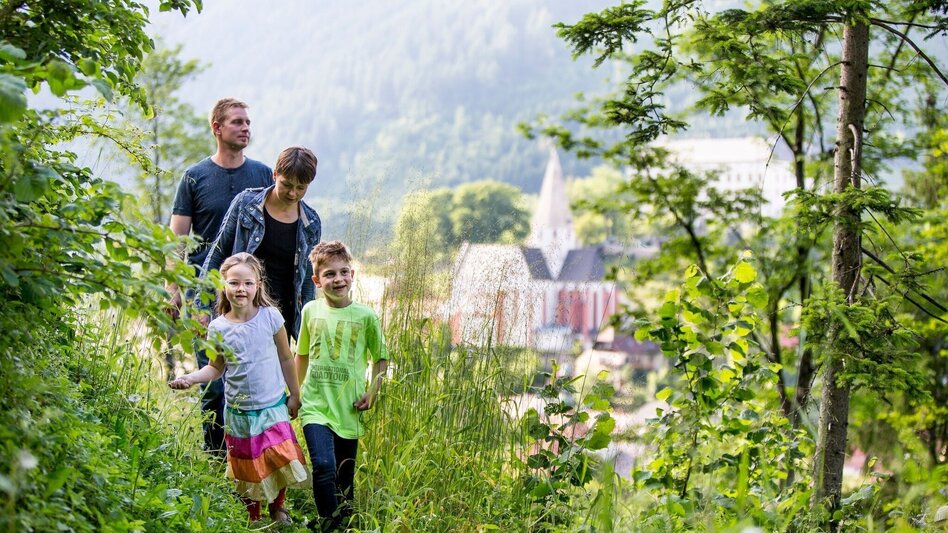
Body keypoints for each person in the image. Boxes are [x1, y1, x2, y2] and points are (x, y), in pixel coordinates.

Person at [169, 253, 309, 525]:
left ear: (258, 285)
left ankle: (277, 507)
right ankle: (252, 516)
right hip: (239, 411)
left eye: (247, 283)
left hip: (272, 406)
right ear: (223, 286)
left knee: (278, 459)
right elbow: (215, 368)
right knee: (247, 466)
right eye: (234, 283)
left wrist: (294, 394)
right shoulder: (218, 327)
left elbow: (285, 357)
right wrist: (191, 378)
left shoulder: (270, 317)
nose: (241, 289)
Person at [168, 97, 273, 456]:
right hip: (206, 294)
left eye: (247, 122)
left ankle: (254, 462)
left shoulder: (262, 176)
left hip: (250, 296)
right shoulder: (195, 177)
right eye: (237, 122)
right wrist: (174, 290)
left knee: (252, 382)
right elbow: (177, 240)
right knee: (213, 383)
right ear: (217, 128)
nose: (246, 128)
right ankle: (216, 463)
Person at [296, 241, 389, 531]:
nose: (338, 279)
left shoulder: (366, 316)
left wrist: (372, 394)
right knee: (323, 466)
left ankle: (347, 522)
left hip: (348, 407)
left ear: (352, 275)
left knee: (344, 476)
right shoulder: (310, 311)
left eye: (344, 272)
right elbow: (302, 355)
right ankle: (329, 524)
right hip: (315, 405)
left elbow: (381, 359)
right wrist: (295, 395)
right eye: (330, 274)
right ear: (317, 280)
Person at [201, 146, 321, 341]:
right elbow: (218, 253)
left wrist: (307, 330)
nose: (292, 193)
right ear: (275, 174)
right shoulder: (245, 204)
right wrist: (203, 307)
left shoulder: (311, 223)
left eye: (301, 187)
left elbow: (307, 282)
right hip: (240, 310)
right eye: (287, 184)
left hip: (281, 320)